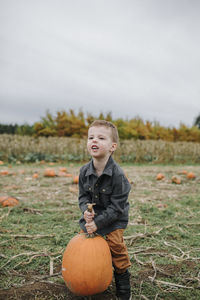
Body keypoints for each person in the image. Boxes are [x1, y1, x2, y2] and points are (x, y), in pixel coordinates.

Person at [78, 120, 132, 300]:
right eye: (91, 137)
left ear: (112, 146)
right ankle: (89, 279)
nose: (94, 141)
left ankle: (123, 281)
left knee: (116, 249)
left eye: (101, 138)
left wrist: (98, 223)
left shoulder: (118, 175)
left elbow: (117, 208)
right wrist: (85, 212)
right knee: (85, 249)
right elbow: (83, 197)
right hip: (93, 218)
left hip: (115, 219)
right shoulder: (84, 171)